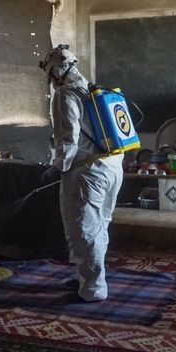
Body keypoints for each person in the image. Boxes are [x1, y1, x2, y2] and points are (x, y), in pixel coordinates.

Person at [39, 44, 124, 302]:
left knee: (84, 230)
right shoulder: (93, 89)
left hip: (87, 173)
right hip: (113, 167)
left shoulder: (65, 94)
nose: (52, 81)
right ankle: (86, 277)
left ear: (56, 72)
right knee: (100, 225)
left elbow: (68, 139)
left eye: (52, 75)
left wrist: (58, 168)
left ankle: (93, 289)